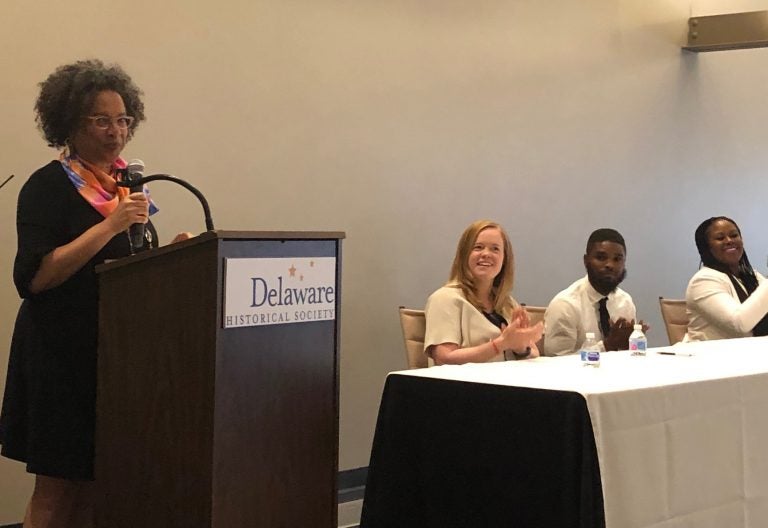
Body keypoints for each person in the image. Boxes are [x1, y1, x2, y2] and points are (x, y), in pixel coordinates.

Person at [0, 59, 191, 528]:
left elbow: (130, 272)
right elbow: (36, 277)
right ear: (69, 122)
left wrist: (178, 256)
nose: (116, 131)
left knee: (97, 483)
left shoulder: (126, 189)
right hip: (61, 355)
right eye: (101, 120)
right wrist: (111, 224)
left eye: (123, 119)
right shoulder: (47, 187)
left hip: (114, 357)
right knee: (57, 488)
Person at [424, 220, 543, 365]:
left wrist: (521, 348)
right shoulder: (444, 299)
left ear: (504, 260)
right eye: (478, 247)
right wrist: (499, 345)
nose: (486, 254)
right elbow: (444, 358)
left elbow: (534, 353)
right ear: (464, 255)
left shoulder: (507, 303)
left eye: (495, 249)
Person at [544, 228, 644, 356]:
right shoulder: (565, 305)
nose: (610, 265)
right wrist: (607, 346)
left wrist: (633, 344)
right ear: (586, 261)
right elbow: (556, 363)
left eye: (617, 259)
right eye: (601, 257)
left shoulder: (625, 302)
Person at [684, 216, 768, 341]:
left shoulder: (750, 276)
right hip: (709, 357)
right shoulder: (703, 281)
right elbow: (740, 324)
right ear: (706, 247)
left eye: (734, 235)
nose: (729, 241)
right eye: (720, 238)